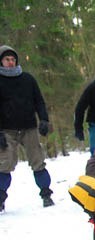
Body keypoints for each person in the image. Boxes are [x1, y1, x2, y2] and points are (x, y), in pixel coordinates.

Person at [0, 45, 54, 211]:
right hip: (6, 130)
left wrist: (43, 120)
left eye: (13, 59)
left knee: (37, 160)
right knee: (5, 164)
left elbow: (39, 101)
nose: (11, 62)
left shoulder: (28, 79)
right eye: (7, 59)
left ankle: (46, 193)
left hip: (28, 127)